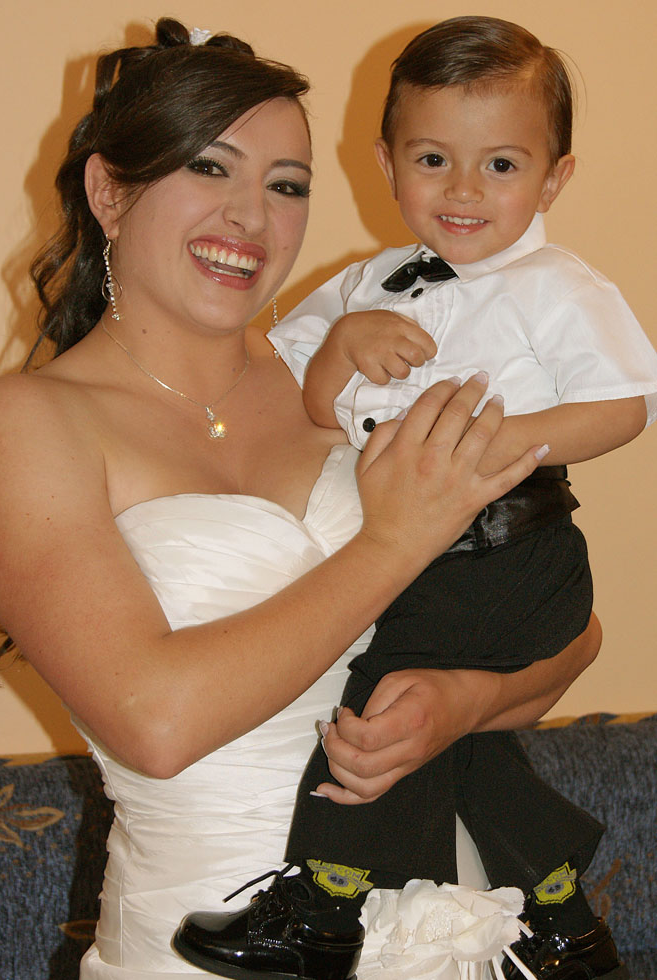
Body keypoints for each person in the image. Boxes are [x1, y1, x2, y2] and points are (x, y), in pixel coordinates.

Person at [0, 18, 600, 980]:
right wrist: (393, 546)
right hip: (203, 941)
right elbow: (156, 723)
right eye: (209, 169)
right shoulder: (22, 423)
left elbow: (568, 631)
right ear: (109, 190)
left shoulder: (346, 379)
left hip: (446, 921)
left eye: (287, 185)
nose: (251, 218)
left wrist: (463, 702)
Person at [182, 16, 657, 980]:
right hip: (420, 551)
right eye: (434, 159)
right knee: (445, 735)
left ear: (554, 179)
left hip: (507, 545)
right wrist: (342, 348)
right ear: (387, 164)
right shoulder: (364, 284)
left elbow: (624, 406)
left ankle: (326, 907)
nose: (464, 189)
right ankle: (560, 915)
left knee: (379, 699)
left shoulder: (555, 286)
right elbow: (310, 405)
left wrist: (508, 443)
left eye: (501, 165)